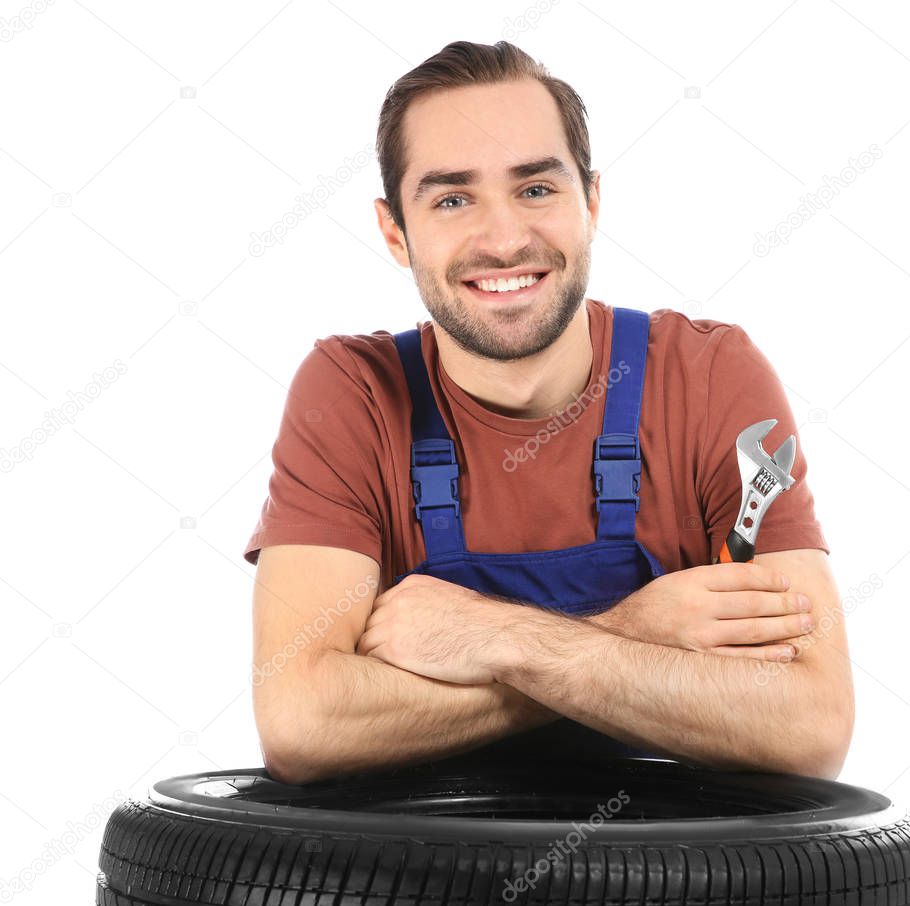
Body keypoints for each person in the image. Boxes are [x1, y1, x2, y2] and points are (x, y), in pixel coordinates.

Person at [243, 40, 854, 785]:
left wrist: (496, 640)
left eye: (535, 189)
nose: (504, 240)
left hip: (675, 890)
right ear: (394, 231)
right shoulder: (354, 393)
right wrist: (637, 632)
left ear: (590, 201)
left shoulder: (709, 376)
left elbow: (810, 721)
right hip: (427, 894)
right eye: (452, 198)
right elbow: (302, 722)